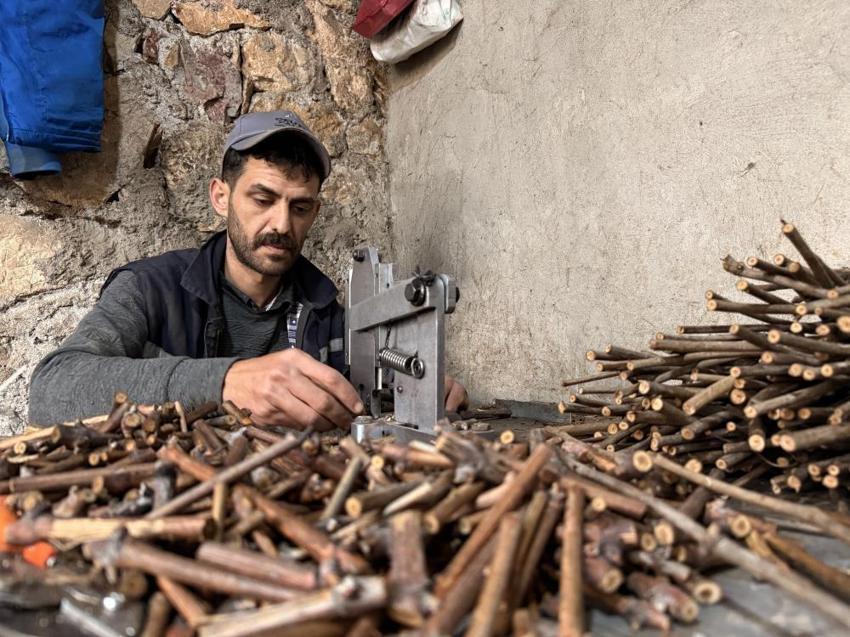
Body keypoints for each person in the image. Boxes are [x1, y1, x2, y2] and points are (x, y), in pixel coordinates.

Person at [28, 111, 468, 429]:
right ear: (221, 197)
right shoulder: (149, 290)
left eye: (300, 207)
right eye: (262, 199)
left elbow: (378, 389)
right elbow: (51, 390)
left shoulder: (329, 315)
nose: (281, 224)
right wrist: (224, 382)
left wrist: (425, 387)